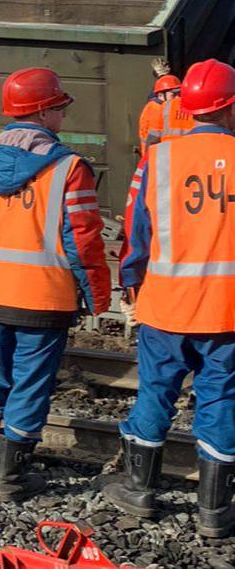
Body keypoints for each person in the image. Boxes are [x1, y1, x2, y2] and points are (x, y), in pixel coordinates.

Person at [0, 67, 110, 503]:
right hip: (44, 298)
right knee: (30, 386)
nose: (63, 115)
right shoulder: (69, 168)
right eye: (59, 107)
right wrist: (97, 296)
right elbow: (84, 239)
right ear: (42, 111)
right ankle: (11, 479)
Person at [103, 58, 235, 539]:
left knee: (156, 392)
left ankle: (140, 490)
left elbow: (135, 238)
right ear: (229, 107)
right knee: (221, 400)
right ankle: (215, 513)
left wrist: (130, 284)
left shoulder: (156, 161)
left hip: (166, 307)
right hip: (228, 312)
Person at [137, 73, 193, 156]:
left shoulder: (165, 107)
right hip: (158, 156)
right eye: (173, 95)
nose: (177, 98)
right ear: (160, 95)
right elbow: (153, 140)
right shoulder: (155, 109)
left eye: (179, 94)